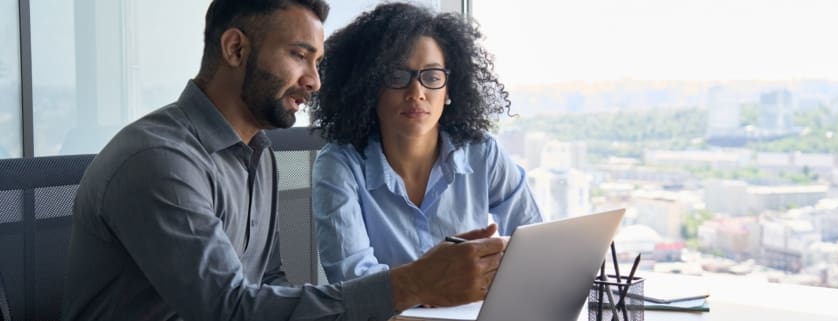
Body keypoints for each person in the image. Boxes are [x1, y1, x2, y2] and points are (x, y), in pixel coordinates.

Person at [61, 1, 506, 320]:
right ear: (235, 49)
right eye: (299, 56)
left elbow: (268, 284)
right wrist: (413, 284)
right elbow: (228, 309)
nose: (314, 81)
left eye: (318, 62)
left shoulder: (257, 152)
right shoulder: (160, 162)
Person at [309, 2, 543, 283]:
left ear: (448, 90)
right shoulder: (339, 165)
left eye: (432, 77)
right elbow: (354, 281)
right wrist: (432, 286)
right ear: (369, 87)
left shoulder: (482, 153)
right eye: (397, 76)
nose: (416, 92)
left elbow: (534, 243)